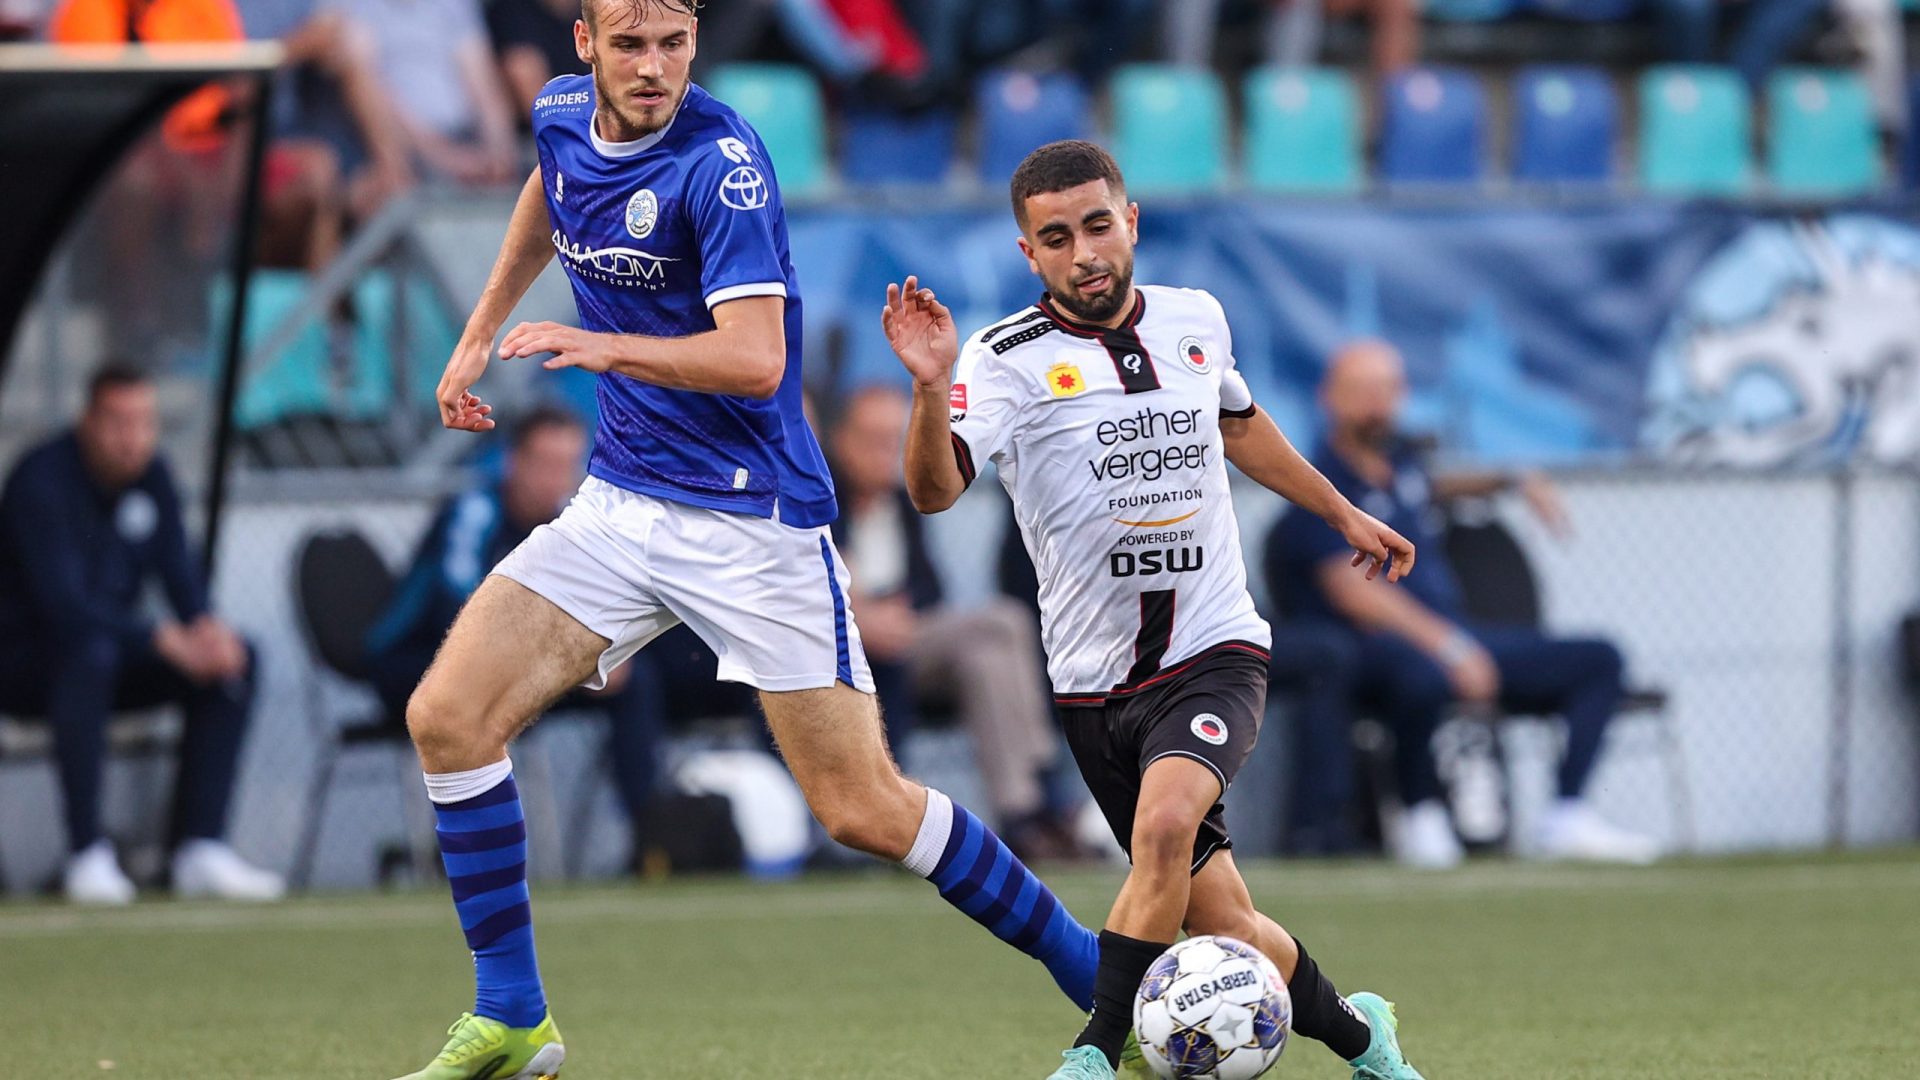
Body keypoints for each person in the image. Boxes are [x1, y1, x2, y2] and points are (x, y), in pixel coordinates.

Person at [384, 3, 1100, 1076]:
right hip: (624, 505)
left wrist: (596, 342)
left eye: (673, 43)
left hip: (750, 518)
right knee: (448, 718)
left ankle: (1100, 975)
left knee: (863, 808)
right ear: (584, 46)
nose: (654, 67)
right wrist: (482, 328)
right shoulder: (559, 114)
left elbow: (758, 359)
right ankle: (513, 1015)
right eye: (630, 44)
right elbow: (552, 186)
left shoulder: (722, 168)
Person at [882, 139, 1426, 1080]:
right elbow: (933, 490)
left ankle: (1095, 1052)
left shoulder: (1194, 320)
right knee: (1225, 924)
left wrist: (1341, 509)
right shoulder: (1001, 359)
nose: (1085, 251)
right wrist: (929, 390)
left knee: (1165, 830)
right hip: (1097, 684)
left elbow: (1240, 424)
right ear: (1030, 255)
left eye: (1098, 225)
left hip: (1215, 650)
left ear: (1129, 222)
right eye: (1057, 238)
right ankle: (1360, 1036)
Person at [1267, 339, 1660, 869]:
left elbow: (1433, 486)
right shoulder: (1320, 488)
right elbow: (1353, 590)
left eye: (1387, 389)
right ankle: (1420, 812)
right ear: (1329, 398)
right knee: (1421, 674)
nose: (1376, 404)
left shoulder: (1403, 467)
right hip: (1380, 650)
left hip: (1453, 634)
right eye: (1360, 391)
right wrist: (1450, 646)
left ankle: (1566, 814)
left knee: (1599, 658)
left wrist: (1514, 479)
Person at [0, 364, 284, 904]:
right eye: (117, 422)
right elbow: (64, 608)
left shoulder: (154, 480)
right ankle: (87, 854)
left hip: (113, 654)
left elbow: (181, 575)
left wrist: (205, 631)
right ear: (87, 422)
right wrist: (162, 639)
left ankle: (200, 847)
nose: (132, 439)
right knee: (89, 655)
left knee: (235, 659)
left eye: (144, 423)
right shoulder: (40, 482)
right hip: (25, 666)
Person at [362, 405, 664, 864]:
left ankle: (652, 843)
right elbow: (460, 608)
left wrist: (602, 656)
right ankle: (467, 852)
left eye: (567, 467)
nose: (555, 480)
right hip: (416, 659)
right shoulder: (474, 512)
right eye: (544, 465)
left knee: (629, 681)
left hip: (515, 665)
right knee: (474, 695)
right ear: (513, 463)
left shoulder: (571, 524)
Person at [827, 383, 1085, 860]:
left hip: (909, 639)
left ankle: (1023, 814)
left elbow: (930, 588)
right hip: (842, 648)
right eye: (873, 441)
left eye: (893, 440)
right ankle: (1040, 794)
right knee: (1004, 623)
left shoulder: (902, 505)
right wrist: (861, 616)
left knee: (987, 658)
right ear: (840, 440)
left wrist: (897, 612)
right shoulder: (822, 504)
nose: (886, 453)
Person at [329, 0, 519, 186]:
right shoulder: (349, 7)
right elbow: (369, 95)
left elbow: (483, 84)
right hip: (399, 154)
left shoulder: (455, 4)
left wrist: (499, 152)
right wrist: (447, 159)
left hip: (466, 142)